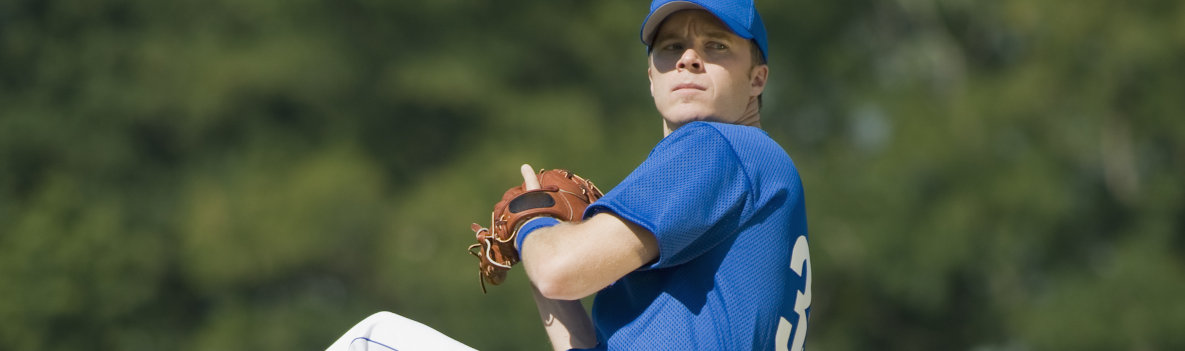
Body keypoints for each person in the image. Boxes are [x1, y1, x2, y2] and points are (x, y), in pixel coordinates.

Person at [326, 0, 810, 350]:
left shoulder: (720, 145)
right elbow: (573, 324)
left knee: (371, 340)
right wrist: (540, 246)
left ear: (757, 79)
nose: (687, 57)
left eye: (716, 45)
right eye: (670, 47)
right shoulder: (756, 179)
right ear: (650, 76)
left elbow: (561, 270)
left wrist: (536, 225)